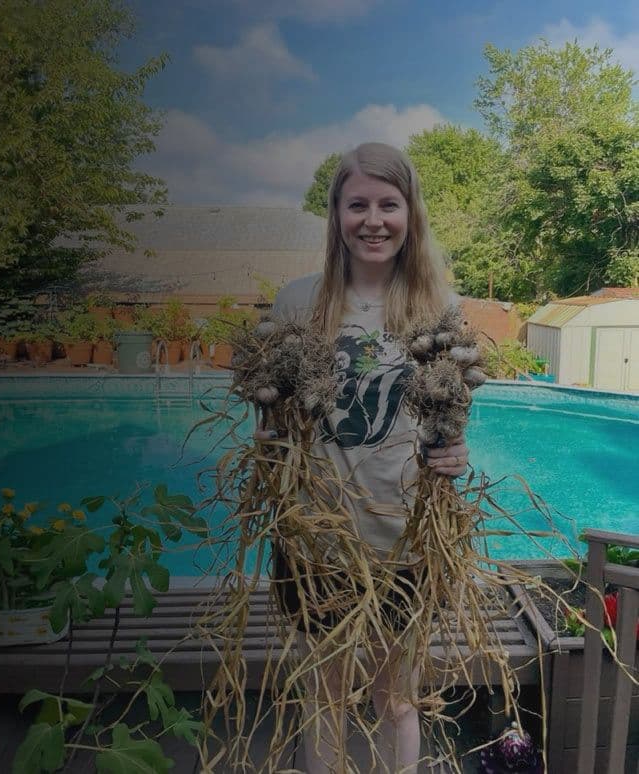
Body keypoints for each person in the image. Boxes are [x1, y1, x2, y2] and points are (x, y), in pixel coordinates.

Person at [254, 142, 468, 773]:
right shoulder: (298, 303)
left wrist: (455, 452)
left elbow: (448, 424)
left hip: (405, 541)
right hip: (318, 542)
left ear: (410, 214)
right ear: (336, 215)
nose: (373, 220)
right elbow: (272, 420)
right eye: (358, 205)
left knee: (397, 699)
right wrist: (269, 448)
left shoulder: (437, 308)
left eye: (388, 204)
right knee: (325, 698)